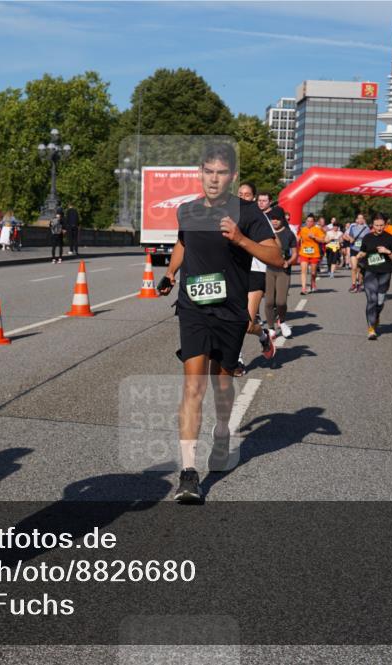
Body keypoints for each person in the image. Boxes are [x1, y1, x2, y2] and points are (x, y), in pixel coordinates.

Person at [157, 143, 281, 504]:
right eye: (208, 171)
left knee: (221, 386)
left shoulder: (248, 214)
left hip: (230, 311)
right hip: (193, 307)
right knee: (192, 386)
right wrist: (169, 274)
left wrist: (241, 239)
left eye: (221, 172)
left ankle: (223, 430)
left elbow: (277, 257)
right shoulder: (188, 210)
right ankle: (189, 474)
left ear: (233, 176)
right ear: (200, 172)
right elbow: (183, 243)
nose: (214, 178)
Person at [234, 185, 276, 377]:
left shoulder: (259, 218)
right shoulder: (230, 215)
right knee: (231, 319)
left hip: (255, 272)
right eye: (240, 194)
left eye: (247, 195)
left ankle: (262, 335)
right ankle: (237, 358)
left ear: (253, 198)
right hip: (234, 273)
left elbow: (275, 248)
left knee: (246, 323)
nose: (243, 197)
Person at [355, 214, 392, 339]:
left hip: (385, 272)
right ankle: (371, 329)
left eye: (381, 225)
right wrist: (360, 255)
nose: (379, 228)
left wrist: (387, 252)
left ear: (385, 225)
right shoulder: (367, 238)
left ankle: (376, 315)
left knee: (379, 302)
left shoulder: (390, 238)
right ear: (372, 225)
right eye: (376, 226)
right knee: (371, 300)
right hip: (370, 272)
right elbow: (363, 251)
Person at [264, 207, 297, 339]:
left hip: (284, 271)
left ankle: (282, 322)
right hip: (270, 269)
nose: (275, 221)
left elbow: (295, 254)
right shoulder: (267, 233)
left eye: (277, 219)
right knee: (269, 302)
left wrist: (288, 263)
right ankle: (271, 328)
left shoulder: (289, 234)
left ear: (282, 219)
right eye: (273, 219)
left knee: (281, 302)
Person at [344, 213, 370, 293]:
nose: (360, 220)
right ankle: (353, 284)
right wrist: (350, 238)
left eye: (362, 218)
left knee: (360, 268)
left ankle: (359, 283)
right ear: (357, 219)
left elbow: (369, 239)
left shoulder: (367, 228)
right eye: (359, 218)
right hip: (354, 249)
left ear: (364, 220)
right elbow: (346, 235)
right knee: (354, 267)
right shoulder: (353, 227)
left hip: (362, 251)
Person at [297, 214, 323, 294]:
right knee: (303, 271)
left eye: (311, 221)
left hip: (314, 254)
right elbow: (298, 239)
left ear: (314, 222)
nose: (309, 223)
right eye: (307, 221)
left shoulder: (317, 229)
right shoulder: (302, 229)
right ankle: (303, 288)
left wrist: (314, 237)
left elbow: (322, 240)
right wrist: (296, 240)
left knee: (313, 272)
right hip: (304, 253)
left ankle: (313, 282)